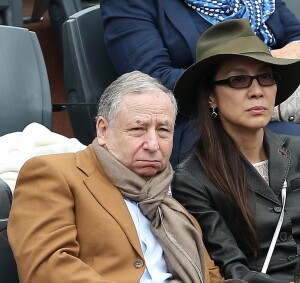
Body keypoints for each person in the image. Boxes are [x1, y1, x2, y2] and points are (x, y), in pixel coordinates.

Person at [7, 71, 261, 283]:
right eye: (138, 129)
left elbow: (209, 276)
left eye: (163, 130)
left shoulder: (173, 193)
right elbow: (46, 270)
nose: (153, 144)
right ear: (103, 130)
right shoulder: (54, 173)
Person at [171, 18, 300, 283]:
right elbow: (232, 269)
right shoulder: (192, 178)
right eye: (238, 79)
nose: (257, 91)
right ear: (210, 98)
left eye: (266, 77)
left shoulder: (298, 149)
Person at [101, 0, 300, 167]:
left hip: (276, 94)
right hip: (199, 119)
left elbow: (296, 39)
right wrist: (266, 62)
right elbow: (154, 80)